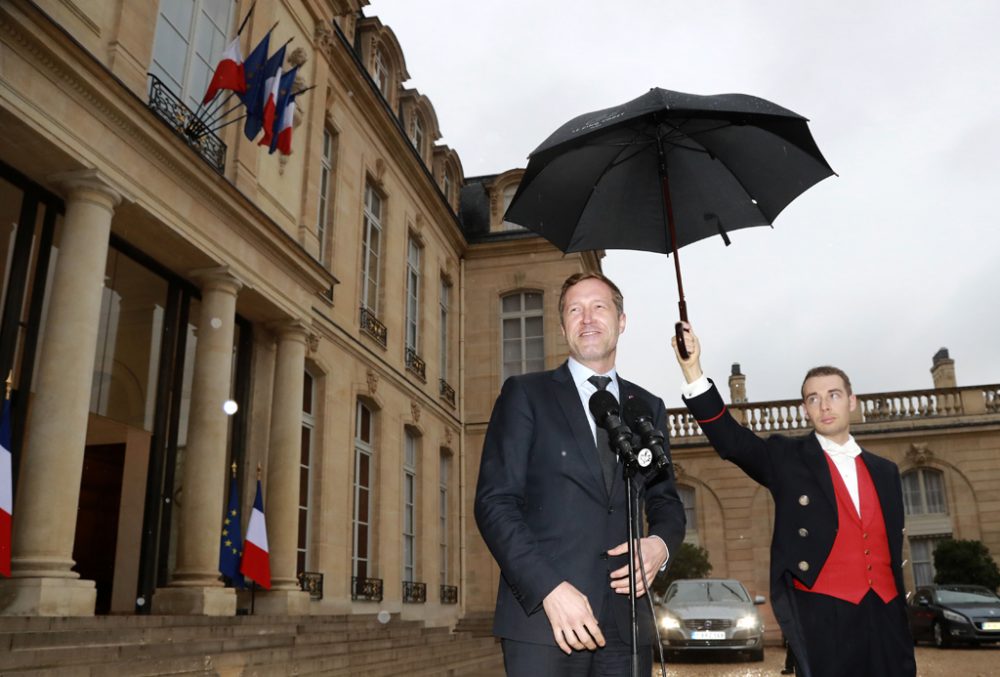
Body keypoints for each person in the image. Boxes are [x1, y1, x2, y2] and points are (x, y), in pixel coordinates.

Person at [671, 323, 916, 677]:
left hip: (887, 614)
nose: (824, 405)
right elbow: (733, 441)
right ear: (805, 409)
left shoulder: (886, 471)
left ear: (852, 401)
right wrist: (692, 370)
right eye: (813, 399)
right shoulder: (789, 458)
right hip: (824, 614)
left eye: (833, 394)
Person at [475, 272, 686, 676]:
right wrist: (549, 589)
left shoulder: (648, 407)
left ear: (621, 321)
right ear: (562, 327)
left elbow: (666, 503)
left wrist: (660, 545)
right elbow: (494, 503)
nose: (586, 319)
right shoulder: (525, 394)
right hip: (544, 622)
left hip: (628, 626)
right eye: (575, 309)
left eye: (598, 307)